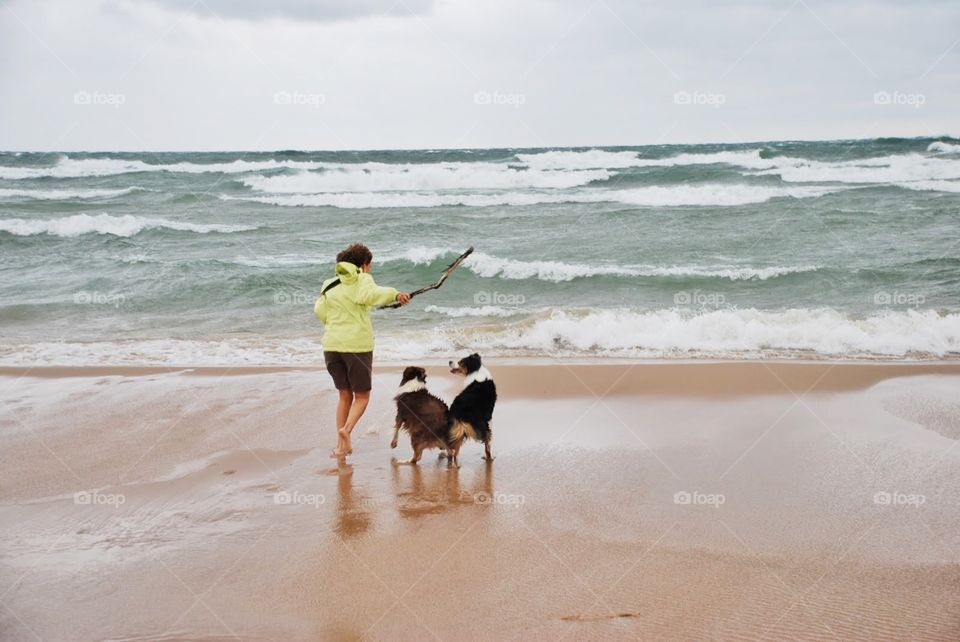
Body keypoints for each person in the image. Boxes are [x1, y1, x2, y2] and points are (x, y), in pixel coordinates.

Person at [315, 243, 411, 457]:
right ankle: (346, 430)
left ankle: (341, 447)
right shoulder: (362, 279)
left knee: (344, 395)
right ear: (364, 265)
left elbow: (319, 311)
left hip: (331, 345)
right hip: (356, 346)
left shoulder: (329, 284)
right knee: (362, 396)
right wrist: (396, 295)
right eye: (370, 266)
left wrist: (336, 325)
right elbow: (372, 294)